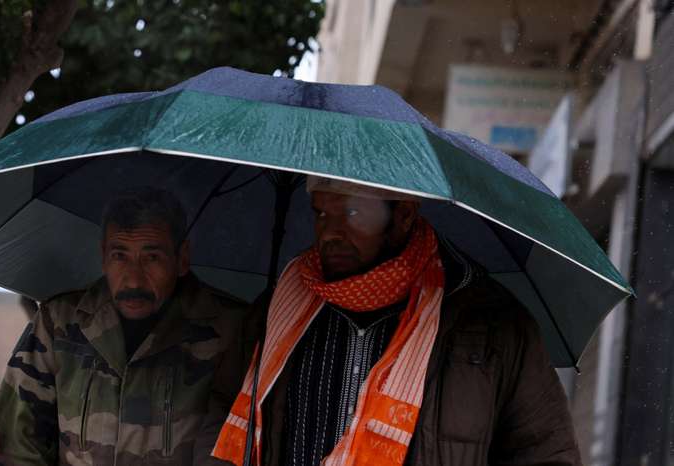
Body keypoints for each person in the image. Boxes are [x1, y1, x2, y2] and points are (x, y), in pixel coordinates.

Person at [204, 176, 581, 466]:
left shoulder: (489, 323)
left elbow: (544, 453)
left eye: (351, 214)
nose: (331, 233)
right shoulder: (278, 310)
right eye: (321, 213)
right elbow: (218, 423)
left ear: (403, 215)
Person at [0, 187, 249, 466]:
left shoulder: (233, 330)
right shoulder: (60, 322)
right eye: (120, 256)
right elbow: (16, 444)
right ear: (103, 256)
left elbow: (240, 443)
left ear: (182, 257)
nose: (133, 280)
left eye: (152, 258)